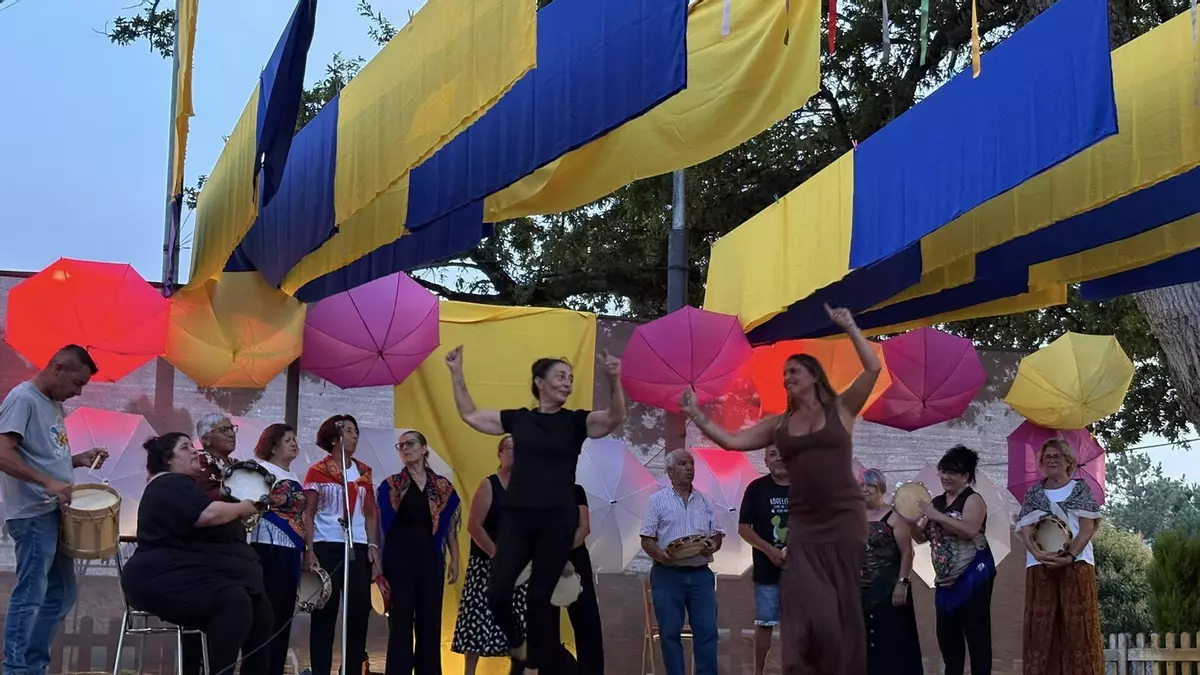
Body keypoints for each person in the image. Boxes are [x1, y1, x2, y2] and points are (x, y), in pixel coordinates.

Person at [679, 303, 881, 675]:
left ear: (814, 376)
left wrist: (850, 325)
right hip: (804, 524)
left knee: (841, 607)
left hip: (843, 520)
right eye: (784, 372)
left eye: (794, 371)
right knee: (808, 606)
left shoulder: (841, 410)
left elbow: (872, 369)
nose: (787, 377)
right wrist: (696, 415)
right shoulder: (779, 425)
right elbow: (732, 442)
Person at [445, 346, 625, 675]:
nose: (567, 382)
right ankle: (517, 644)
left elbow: (613, 418)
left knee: (539, 598)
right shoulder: (519, 419)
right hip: (518, 519)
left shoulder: (575, 421)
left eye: (570, 378)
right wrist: (456, 373)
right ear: (539, 382)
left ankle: (532, 667)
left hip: (557, 520)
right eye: (560, 376)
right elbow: (471, 415)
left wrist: (614, 380)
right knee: (497, 591)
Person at [120, 432, 272, 675]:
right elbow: (208, 515)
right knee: (233, 601)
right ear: (168, 460)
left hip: (179, 576)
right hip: (158, 578)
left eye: (193, 446)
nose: (194, 451)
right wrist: (243, 507)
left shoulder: (182, 486)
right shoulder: (169, 483)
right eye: (185, 447)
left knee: (259, 608)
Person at [0, 345, 107, 675]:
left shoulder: (52, 403)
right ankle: (16, 668)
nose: (78, 392)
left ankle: (33, 665)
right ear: (58, 367)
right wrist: (46, 481)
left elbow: (42, 456)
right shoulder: (23, 399)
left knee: (61, 593)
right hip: (32, 514)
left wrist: (77, 460)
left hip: (54, 512)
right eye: (77, 383)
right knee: (31, 593)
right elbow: (2, 453)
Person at [377, 430, 461, 675]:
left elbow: (450, 527)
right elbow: (381, 527)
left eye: (410, 443)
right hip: (398, 559)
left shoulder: (442, 487)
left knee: (430, 620)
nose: (404, 448)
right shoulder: (392, 485)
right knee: (400, 621)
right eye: (400, 445)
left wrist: (455, 558)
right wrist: (377, 561)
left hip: (430, 559)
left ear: (424, 449)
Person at [1016, 438, 1103, 675]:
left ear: (1068, 461)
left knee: (1079, 626)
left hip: (1077, 563)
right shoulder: (1034, 492)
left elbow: (1087, 528)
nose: (1052, 460)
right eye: (1047, 457)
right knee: (1040, 627)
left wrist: (1070, 556)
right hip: (1040, 564)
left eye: (1057, 456)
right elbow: (1025, 528)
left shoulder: (1080, 489)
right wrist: (1037, 553)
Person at [303, 415, 380, 675]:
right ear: (334, 437)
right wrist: (309, 549)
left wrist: (373, 545)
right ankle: (320, 669)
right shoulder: (318, 471)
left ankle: (351, 668)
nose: (354, 435)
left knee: (359, 609)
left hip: (356, 545)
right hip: (327, 544)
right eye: (348, 430)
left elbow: (370, 513)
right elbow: (309, 512)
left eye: (355, 431)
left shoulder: (364, 471)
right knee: (325, 610)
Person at [910, 445, 995, 675]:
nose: (945, 476)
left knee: (976, 636)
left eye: (952, 472)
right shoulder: (936, 502)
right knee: (948, 639)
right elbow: (921, 538)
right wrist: (911, 522)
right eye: (943, 471)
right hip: (945, 580)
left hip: (974, 575)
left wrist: (936, 516)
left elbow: (970, 530)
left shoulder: (973, 499)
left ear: (965, 476)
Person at [639, 449, 724, 675]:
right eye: (682, 464)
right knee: (669, 633)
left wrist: (713, 545)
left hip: (700, 574)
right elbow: (647, 540)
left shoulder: (706, 501)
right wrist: (661, 556)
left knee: (707, 631)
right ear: (669, 471)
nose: (689, 468)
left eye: (691, 464)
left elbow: (717, 535)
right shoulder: (657, 501)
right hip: (668, 574)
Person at [452, 436, 531, 675]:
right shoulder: (489, 484)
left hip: (517, 568)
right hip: (486, 564)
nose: (513, 452)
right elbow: (474, 525)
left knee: (517, 628)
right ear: (500, 453)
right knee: (476, 623)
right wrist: (496, 553)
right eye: (508, 448)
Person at [249, 423, 310, 675]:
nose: (294, 444)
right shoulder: (261, 470)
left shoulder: (293, 475)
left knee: (284, 615)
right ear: (272, 446)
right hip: (268, 546)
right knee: (267, 615)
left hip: (292, 550)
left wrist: (308, 549)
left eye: (295, 439)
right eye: (287, 440)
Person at [859, 468, 922, 675]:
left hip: (889, 590)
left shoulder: (894, 517)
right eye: (861, 485)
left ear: (881, 489)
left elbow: (907, 553)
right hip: (861, 589)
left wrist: (902, 583)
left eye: (870, 485)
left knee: (891, 642)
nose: (865, 489)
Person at [737, 446, 789, 675]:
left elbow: (816, 524)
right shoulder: (756, 489)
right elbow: (743, 528)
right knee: (764, 623)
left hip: (800, 573)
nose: (779, 458)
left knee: (796, 627)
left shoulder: (806, 489)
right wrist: (769, 551)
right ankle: (759, 671)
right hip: (766, 570)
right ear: (766, 461)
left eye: (783, 452)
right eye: (773, 454)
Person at [195, 413, 238, 500]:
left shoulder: (237, 464)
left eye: (232, 428)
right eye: (224, 430)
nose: (232, 434)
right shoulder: (199, 463)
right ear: (206, 439)